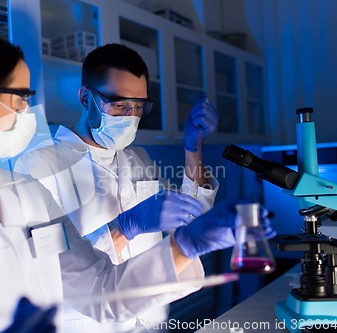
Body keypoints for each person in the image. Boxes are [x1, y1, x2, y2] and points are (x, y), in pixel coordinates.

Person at [0, 27, 254, 333]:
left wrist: (187, 244)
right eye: (20, 98)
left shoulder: (24, 196)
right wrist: (127, 226)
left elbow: (101, 288)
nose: (28, 111)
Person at [17, 43, 219, 332]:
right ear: (86, 98)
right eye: (120, 104)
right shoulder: (39, 165)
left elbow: (190, 214)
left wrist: (193, 148)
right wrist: (125, 227)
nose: (131, 116)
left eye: (139, 106)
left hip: (151, 319)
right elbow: (48, 269)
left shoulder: (139, 158)